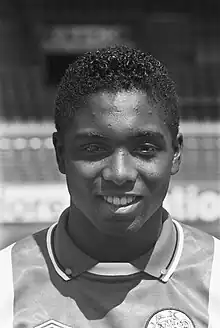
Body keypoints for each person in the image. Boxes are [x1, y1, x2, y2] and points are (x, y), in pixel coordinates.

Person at [1, 45, 220, 328]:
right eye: (94, 148)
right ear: (60, 153)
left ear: (176, 154)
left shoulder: (215, 278)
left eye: (144, 148)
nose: (119, 174)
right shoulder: (7, 282)